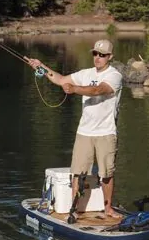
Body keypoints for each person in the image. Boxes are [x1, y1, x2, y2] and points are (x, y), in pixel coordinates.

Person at [28, 39, 123, 218]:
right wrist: (40, 67)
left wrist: (74, 89)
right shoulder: (85, 73)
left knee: (106, 174)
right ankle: (74, 209)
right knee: (77, 173)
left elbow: (98, 90)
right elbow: (61, 79)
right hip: (84, 132)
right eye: (95, 54)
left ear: (110, 57)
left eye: (102, 55)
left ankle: (108, 208)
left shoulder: (114, 76)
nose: (98, 58)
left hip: (106, 132)